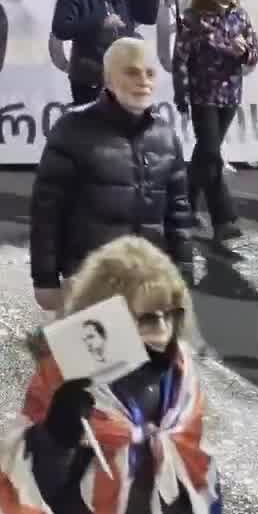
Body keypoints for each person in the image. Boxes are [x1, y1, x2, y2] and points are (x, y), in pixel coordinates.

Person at [0, 236, 219, 514]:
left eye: (170, 313)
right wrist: (55, 436)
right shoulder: (65, 379)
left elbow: (203, 484)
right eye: (147, 318)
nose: (163, 330)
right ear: (109, 318)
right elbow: (20, 493)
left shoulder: (183, 378)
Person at [29, 38, 193, 311]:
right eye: (131, 72)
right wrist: (44, 279)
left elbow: (178, 211)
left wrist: (183, 272)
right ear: (108, 79)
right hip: (90, 283)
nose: (143, 81)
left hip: (150, 282)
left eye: (150, 73)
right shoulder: (72, 130)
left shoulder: (165, 135)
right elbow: (47, 210)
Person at [173, 0, 258, 246]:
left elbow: (254, 53)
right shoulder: (194, 19)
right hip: (203, 94)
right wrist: (181, 93)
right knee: (211, 153)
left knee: (204, 154)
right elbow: (180, 59)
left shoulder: (239, 15)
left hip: (230, 94)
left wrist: (243, 53)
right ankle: (224, 219)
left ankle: (182, 205)